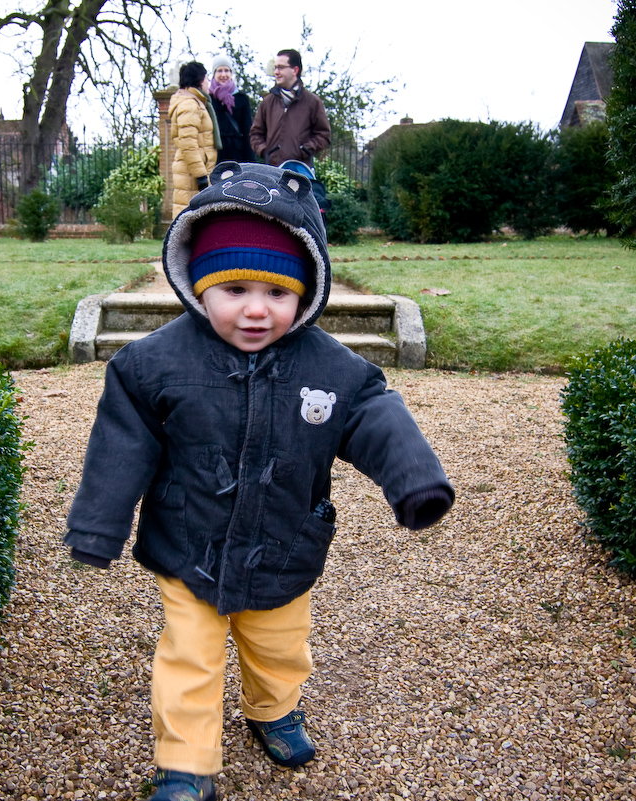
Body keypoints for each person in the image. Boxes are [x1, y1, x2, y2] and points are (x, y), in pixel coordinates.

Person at [65, 161, 454, 801]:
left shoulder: (333, 366)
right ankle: (186, 762)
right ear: (196, 284)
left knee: (279, 646)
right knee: (189, 657)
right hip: (189, 545)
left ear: (305, 293)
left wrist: (415, 481)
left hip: (285, 543)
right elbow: (120, 447)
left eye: (277, 293)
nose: (255, 310)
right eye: (234, 289)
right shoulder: (152, 364)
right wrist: (97, 527)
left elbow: (374, 414)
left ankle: (272, 709)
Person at [250, 48, 331, 167]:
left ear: (295, 70)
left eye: (281, 67)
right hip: (272, 170)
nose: (276, 72)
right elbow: (255, 134)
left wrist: (305, 150)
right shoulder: (267, 102)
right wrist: (265, 151)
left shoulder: (312, 102)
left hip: (300, 172)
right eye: (275, 68)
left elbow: (323, 135)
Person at [168, 61, 218, 218]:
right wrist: (201, 176)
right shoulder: (189, 104)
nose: (208, 82)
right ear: (199, 80)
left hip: (194, 172)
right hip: (192, 175)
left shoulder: (194, 102)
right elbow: (188, 142)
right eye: (206, 78)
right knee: (187, 220)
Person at [208, 54, 255, 164]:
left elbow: (247, 129)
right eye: (219, 71)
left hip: (238, 154)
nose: (223, 74)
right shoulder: (208, 99)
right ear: (214, 74)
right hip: (215, 154)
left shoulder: (241, 98)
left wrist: (250, 162)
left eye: (227, 70)